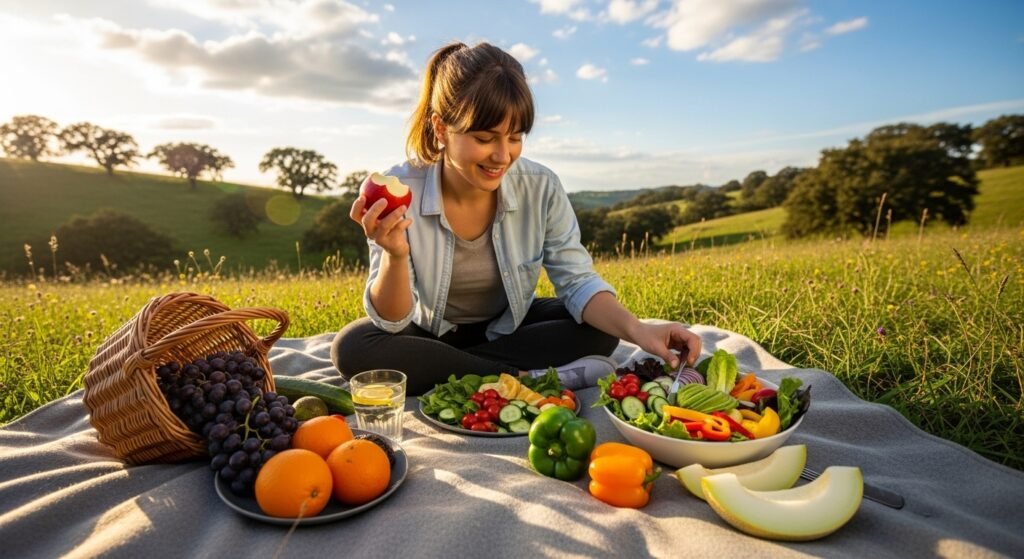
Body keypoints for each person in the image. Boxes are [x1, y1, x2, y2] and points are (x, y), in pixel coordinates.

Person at [331, 41, 701, 395]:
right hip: (429, 331)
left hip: (508, 326)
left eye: (515, 137)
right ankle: (520, 376)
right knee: (354, 347)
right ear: (441, 128)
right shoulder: (400, 192)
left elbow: (577, 281)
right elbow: (394, 320)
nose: (502, 156)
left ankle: (461, 371)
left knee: (600, 331)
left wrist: (639, 331)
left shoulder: (540, 186)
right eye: (485, 137)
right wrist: (395, 255)